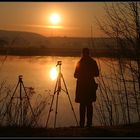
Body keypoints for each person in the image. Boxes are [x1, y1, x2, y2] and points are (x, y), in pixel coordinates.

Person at [74, 48, 99, 128]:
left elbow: (75, 75)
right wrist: (89, 75)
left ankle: (82, 124)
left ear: (82, 53)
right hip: (90, 86)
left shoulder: (79, 62)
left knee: (82, 105)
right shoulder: (93, 62)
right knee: (89, 105)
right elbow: (97, 74)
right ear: (89, 53)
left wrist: (82, 75)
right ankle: (89, 124)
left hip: (81, 86)